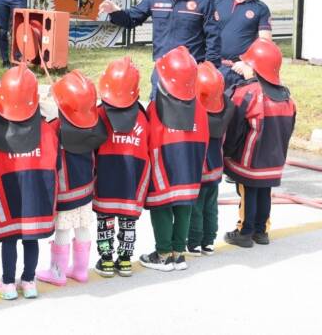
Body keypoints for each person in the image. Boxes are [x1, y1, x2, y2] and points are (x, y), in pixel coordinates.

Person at [98, 0, 218, 97]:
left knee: (189, 118)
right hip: (162, 73)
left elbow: (214, 40)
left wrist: (209, 70)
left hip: (191, 73)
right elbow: (131, 19)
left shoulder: (204, 1)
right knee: (157, 114)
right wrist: (115, 12)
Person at [0, 64, 58, 301]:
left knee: (10, 237)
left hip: (8, 193)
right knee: (31, 237)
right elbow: (55, 164)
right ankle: (29, 282)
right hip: (37, 192)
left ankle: (7, 284)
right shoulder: (46, 130)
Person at [139, 46, 208, 273]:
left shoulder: (156, 104)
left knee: (161, 206)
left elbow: (149, 135)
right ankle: (179, 253)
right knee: (184, 205)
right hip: (191, 163)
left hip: (163, 162)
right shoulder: (199, 105)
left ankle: (163, 253)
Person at [223, 39, 297, 248]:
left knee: (248, 192)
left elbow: (234, 127)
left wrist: (227, 153)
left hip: (250, 159)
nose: (243, 67)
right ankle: (261, 231)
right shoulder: (286, 96)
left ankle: (244, 232)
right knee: (265, 191)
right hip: (274, 160)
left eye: (247, 64)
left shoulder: (248, 92)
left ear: (255, 68)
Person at [37, 70, 106, 286]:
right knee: (83, 227)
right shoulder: (92, 124)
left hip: (65, 192)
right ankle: (80, 270)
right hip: (86, 189)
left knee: (63, 230)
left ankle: (57, 271)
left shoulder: (56, 127)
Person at [92, 57, 149, 278]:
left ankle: (106, 261)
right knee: (128, 223)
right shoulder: (142, 117)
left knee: (104, 222)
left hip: (106, 180)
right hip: (131, 182)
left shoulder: (99, 113)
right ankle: (125, 261)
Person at [187, 62, 231, 256]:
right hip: (216, 169)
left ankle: (194, 242)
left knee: (196, 207)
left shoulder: (196, 113)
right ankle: (209, 241)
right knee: (211, 206)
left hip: (199, 169)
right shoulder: (225, 109)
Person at [212, 0, 273, 88]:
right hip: (213, 69)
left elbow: (265, 44)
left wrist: (248, 63)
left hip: (240, 71)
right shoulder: (215, 3)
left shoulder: (261, 9)